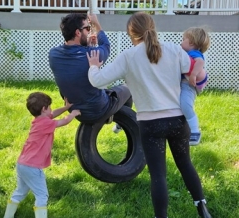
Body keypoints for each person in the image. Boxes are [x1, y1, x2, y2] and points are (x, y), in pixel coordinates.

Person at [87, 12, 212, 218]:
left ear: (131, 33)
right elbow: (196, 72)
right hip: (178, 121)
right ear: (153, 26)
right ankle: (202, 208)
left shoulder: (128, 57)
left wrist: (93, 66)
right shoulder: (174, 49)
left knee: (158, 175)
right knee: (185, 165)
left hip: (150, 125)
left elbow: (98, 81)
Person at [48, 13, 133, 133]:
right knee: (129, 87)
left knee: (104, 90)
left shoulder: (53, 54)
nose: (89, 31)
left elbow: (76, 64)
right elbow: (106, 46)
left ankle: (113, 115)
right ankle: (121, 123)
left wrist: (87, 46)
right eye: (87, 28)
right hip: (98, 109)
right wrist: (96, 24)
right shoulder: (90, 54)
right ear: (78, 33)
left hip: (75, 111)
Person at [3, 92, 80, 218]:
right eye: (49, 106)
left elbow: (52, 114)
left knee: (20, 192)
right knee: (42, 195)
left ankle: (8, 216)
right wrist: (72, 114)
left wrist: (65, 107)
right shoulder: (46, 123)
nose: (51, 109)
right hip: (33, 167)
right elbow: (63, 122)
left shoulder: (38, 120)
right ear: (44, 109)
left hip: (22, 164)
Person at [180, 27, 210, 146]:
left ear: (191, 43)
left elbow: (200, 62)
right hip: (184, 84)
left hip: (188, 85)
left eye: (183, 39)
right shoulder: (186, 53)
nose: (181, 42)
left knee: (185, 105)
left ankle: (195, 131)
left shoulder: (194, 53)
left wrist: (193, 75)